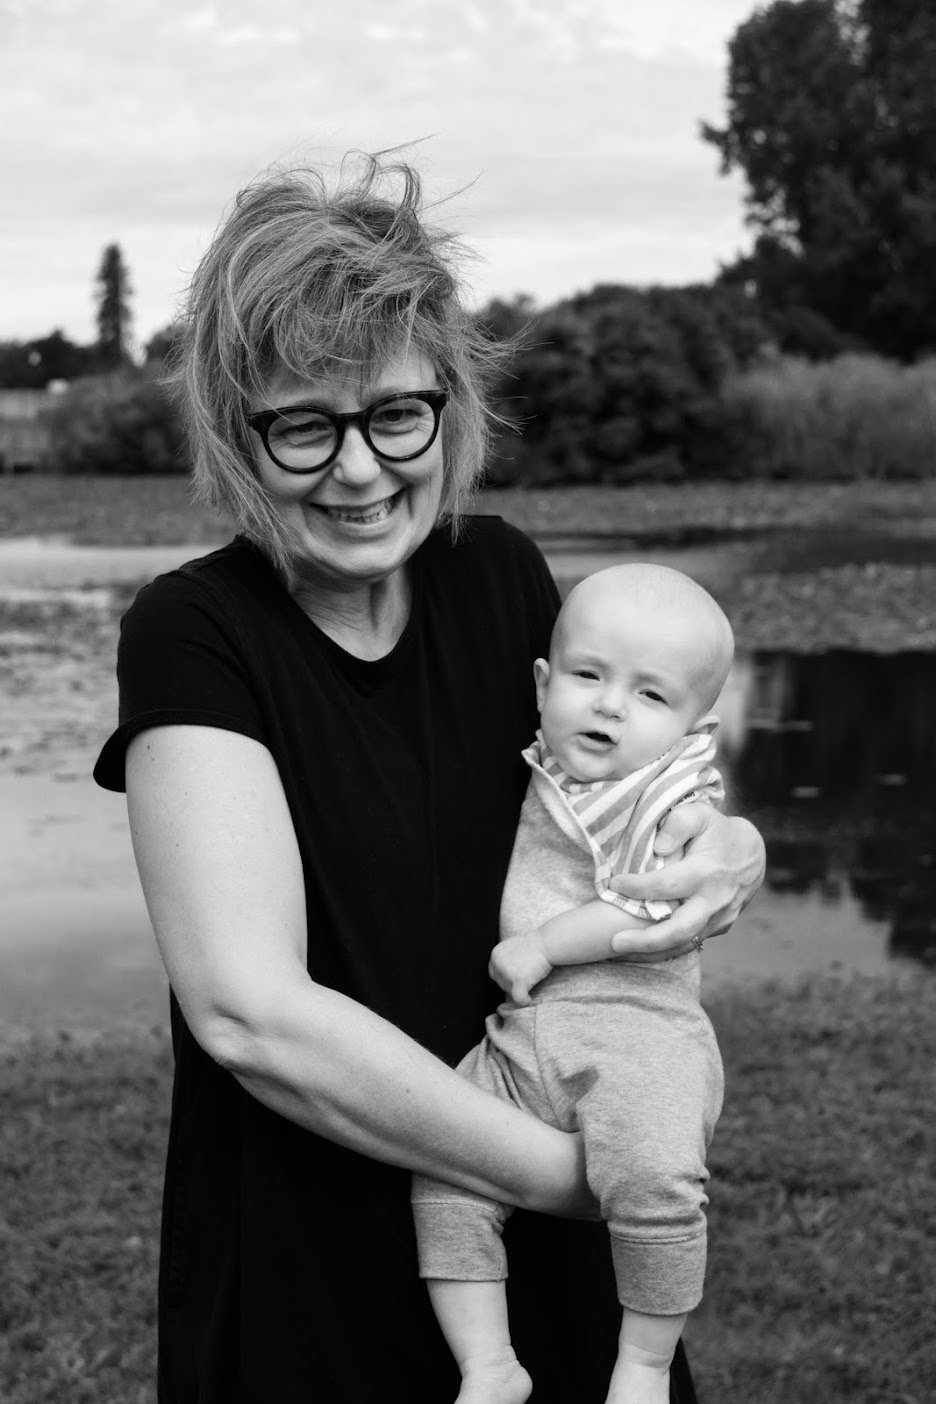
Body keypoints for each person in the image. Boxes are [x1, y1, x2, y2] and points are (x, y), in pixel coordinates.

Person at [92, 150, 765, 1403]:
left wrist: (727, 845)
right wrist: (567, 1175)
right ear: (236, 434)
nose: (360, 470)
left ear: (449, 405)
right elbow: (249, 1012)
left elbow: (622, 784)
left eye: (396, 413)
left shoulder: (500, 576)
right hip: (321, 1255)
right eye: (304, 425)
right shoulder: (195, 633)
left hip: (542, 1251)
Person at [412, 562, 733, 1404]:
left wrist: (544, 944)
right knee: (446, 1175)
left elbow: (647, 902)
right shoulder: (547, 765)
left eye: (651, 695)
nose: (611, 705)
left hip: (639, 1028)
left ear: (695, 728)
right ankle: (489, 1362)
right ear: (543, 684)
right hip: (524, 1038)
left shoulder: (668, 798)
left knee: (654, 1181)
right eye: (589, 676)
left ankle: (645, 1366)